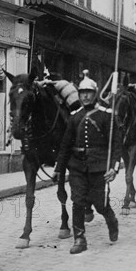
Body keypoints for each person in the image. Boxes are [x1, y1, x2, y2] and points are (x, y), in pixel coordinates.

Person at [53, 70, 121, 254]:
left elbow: (116, 145)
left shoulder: (107, 116)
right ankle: (80, 239)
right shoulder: (74, 116)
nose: (85, 96)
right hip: (77, 167)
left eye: (88, 92)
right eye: (81, 92)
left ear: (95, 93)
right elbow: (66, 145)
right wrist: (59, 167)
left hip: (99, 167)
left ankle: (111, 221)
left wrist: (114, 168)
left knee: (100, 203)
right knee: (78, 202)